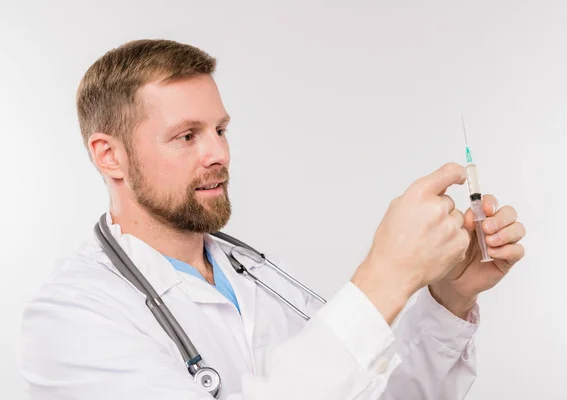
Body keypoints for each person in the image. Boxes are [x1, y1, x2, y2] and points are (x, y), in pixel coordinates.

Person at [18, 39, 526, 400]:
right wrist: (384, 279)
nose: (219, 152)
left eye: (220, 129)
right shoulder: (71, 318)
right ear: (110, 157)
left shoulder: (263, 278)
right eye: (187, 135)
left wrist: (450, 298)